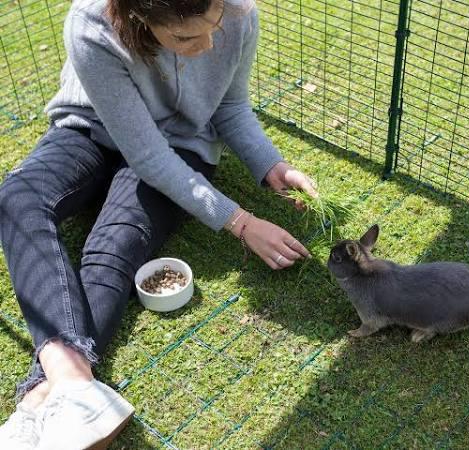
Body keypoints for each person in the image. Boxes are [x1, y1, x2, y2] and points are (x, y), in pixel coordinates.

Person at [0, 0, 317, 448]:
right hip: (90, 128)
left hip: (181, 142)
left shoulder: (239, 12)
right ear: (136, 17)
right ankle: (73, 385)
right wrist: (242, 223)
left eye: (214, 26)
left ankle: (40, 399)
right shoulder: (92, 23)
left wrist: (270, 165)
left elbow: (230, 106)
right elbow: (145, 157)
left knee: (115, 243)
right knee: (18, 198)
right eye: (185, 37)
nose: (207, 45)